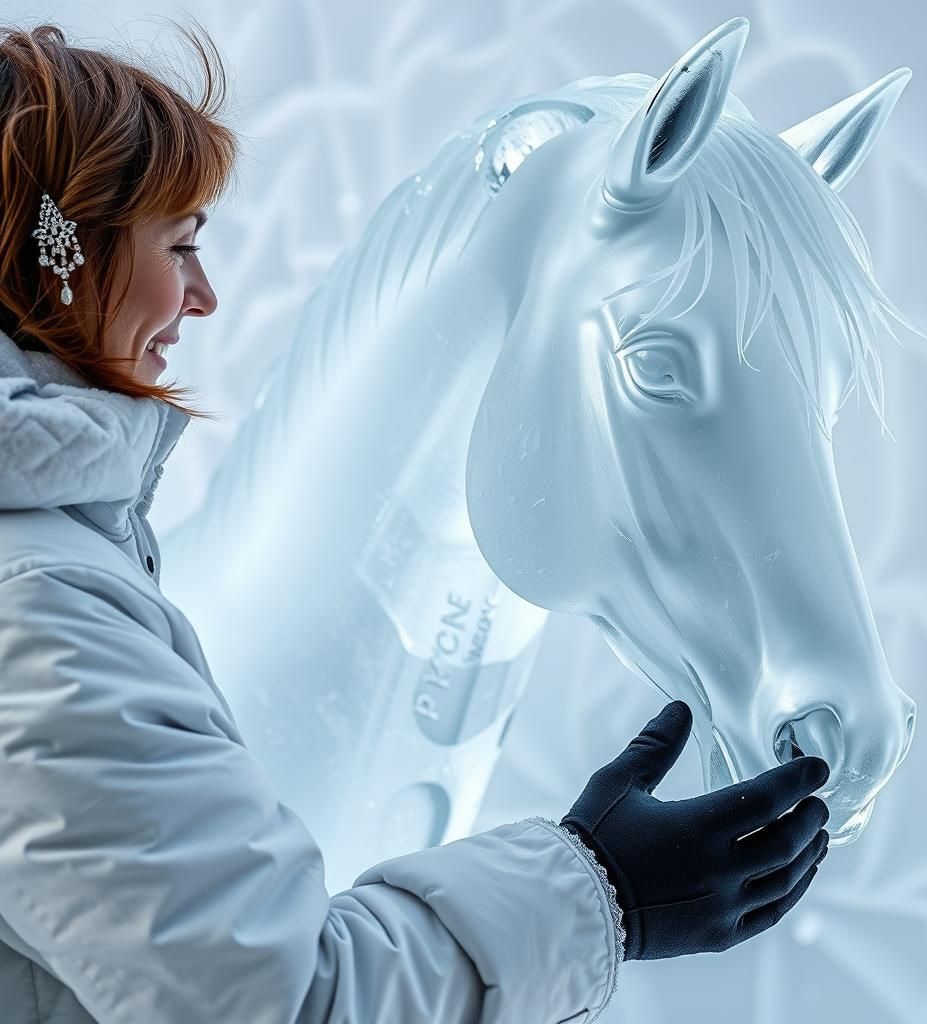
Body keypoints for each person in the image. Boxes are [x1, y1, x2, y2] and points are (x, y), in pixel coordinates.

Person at [0, 19, 830, 1024]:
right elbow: (275, 1005)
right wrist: (602, 892)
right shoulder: (37, 614)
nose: (205, 295)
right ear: (64, 260)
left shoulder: (57, 569)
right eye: (180, 246)